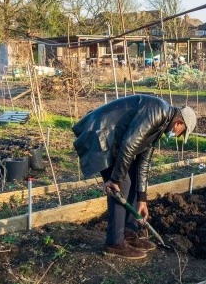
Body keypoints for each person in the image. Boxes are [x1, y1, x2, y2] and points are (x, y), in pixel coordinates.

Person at [72, 95, 196, 260]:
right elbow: (129, 144)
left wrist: (142, 199)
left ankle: (129, 234)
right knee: (122, 185)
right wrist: (114, 180)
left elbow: (143, 164)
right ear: (179, 123)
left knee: (131, 180)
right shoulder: (158, 111)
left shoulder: (161, 125)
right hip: (99, 134)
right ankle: (114, 244)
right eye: (182, 133)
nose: (179, 136)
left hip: (115, 142)